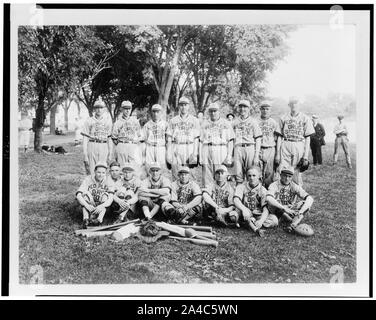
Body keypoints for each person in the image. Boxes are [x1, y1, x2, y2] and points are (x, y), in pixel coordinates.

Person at [275, 97, 314, 186]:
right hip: (286, 143)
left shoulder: (305, 118)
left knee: (297, 171)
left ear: (299, 105)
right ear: (289, 105)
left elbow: (308, 138)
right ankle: (283, 194)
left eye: (296, 103)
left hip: (299, 143)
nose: (294, 105)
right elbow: (280, 137)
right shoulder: (283, 117)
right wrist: (277, 154)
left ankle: (296, 195)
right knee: (283, 169)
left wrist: (306, 156)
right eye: (292, 103)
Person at [266, 166, 314, 230]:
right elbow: (268, 198)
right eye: (285, 176)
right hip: (278, 210)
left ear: (292, 177)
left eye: (289, 176)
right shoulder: (274, 185)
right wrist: (284, 208)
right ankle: (289, 220)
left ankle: (293, 224)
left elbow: (310, 198)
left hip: (290, 210)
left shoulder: (294, 185)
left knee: (304, 203)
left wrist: (301, 212)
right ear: (280, 175)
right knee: (273, 204)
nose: (287, 179)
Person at [233, 166, 276, 236]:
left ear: (259, 176)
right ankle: (246, 222)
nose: (251, 178)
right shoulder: (241, 186)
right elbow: (236, 200)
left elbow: (266, 209)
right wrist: (244, 210)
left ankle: (250, 222)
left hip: (257, 214)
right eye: (249, 176)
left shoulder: (263, 190)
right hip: (244, 212)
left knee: (274, 220)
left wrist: (261, 221)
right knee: (233, 215)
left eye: (254, 175)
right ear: (246, 177)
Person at [199, 103, 234, 187]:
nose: (213, 113)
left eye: (215, 111)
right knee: (207, 176)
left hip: (220, 148)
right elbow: (200, 141)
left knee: (220, 174)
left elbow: (230, 140)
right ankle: (207, 195)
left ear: (219, 112)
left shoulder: (226, 123)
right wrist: (200, 156)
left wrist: (229, 155)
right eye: (211, 111)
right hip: (207, 148)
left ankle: (221, 196)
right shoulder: (204, 123)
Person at [166, 97, 200, 179]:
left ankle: (190, 190)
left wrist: (195, 152)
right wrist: (169, 152)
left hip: (189, 146)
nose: (183, 107)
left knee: (190, 173)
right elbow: (169, 138)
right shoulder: (173, 120)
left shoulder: (194, 120)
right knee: (176, 172)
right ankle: (176, 190)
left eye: (185, 105)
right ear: (179, 106)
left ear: (188, 106)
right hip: (177, 146)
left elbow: (196, 138)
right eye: (181, 105)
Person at [76, 162, 115, 229]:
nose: (101, 175)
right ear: (94, 171)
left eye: (103, 172)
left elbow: (110, 198)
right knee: (85, 194)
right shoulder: (88, 179)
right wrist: (86, 205)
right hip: (90, 203)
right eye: (98, 172)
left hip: (102, 205)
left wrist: (102, 206)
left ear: (106, 173)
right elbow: (78, 195)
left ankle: (99, 220)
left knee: (105, 196)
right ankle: (86, 220)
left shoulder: (109, 180)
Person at [232, 99, 262, 184]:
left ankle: (251, 196)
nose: (242, 109)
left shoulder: (253, 122)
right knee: (238, 174)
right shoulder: (234, 122)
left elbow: (258, 138)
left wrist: (256, 155)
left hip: (250, 147)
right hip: (238, 148)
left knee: (252, 173)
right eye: (241, 107)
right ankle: (239, 195)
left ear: (248, 109)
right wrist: (230, 154)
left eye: (245, 107)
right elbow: (231, 139)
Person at [111, 100, 144, 172]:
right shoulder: (117, 122)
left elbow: (140, 136)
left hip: (133, 145)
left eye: (129, 108)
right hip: (122, 144)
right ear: (122, 109)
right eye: (125, 108)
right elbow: (114, 138)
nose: (127, 110)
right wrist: (121, 144)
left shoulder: (135, 121)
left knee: (135, 168)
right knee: (122, 168)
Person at [82, 101, 113, 175]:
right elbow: (85, 138)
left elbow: (109, 138)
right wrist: (85, 154)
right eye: (97, 108)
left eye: (101, 108)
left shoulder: (107, 121)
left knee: (102, 169)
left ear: (104, 109)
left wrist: (110, 153)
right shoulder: (89, 120)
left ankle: (102, 186)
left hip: (103, 145)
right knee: (91, 169)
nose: (99, 110)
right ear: (94, 109)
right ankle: (92, 185)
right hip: (92, 144)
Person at [258, 101, 280, 188]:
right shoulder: (256, 121)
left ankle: (268, 194)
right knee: (258, 172)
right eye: (263, 109)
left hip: (270, 148)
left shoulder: (274, 122)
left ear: (270, 110)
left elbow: (278, 138)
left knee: (269, 173)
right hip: (258, 148)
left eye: (267, 109)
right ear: (260, 110)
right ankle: (258, 195)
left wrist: (277, 153)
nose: (265, 111)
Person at [142, 104, 168, 171]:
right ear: (151, 113)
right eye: (154, 112)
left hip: (161, 147)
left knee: (161, 168)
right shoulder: (147, 125)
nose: (156, 114)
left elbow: (168, 140)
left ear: (161, 113)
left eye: (158, 112)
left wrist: (168, 152)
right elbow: (143, 139)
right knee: (149, 168)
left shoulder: (165, 124)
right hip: (150, 147)